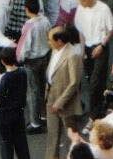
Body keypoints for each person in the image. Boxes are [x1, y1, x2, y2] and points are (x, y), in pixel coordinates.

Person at [75, 0, 113, 118]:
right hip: (87, 47)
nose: (81, 3)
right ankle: (101, 108)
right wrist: (82, 50)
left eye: (83, 0)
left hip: (100, 47)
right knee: (92, 80)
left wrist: (102, 46)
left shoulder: (103, 9)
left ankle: (93, 115)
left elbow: (111, 29)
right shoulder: (81, 8)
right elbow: (80, 30)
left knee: (95, 82)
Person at [45, 27, 84, 159]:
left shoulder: (73, 54)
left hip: (66, 102)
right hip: (51, 97)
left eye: (50, 40)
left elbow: (74, 83)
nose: (48, 43)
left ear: (60, 41)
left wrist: (59, 102)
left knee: (71, 137)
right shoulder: (54, 50)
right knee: (52, 136)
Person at [18, 0, 52, 134]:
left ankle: (35, 122)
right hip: (45, 57)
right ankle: (44, 115)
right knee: (44, 88)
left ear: (26, 9)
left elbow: (24, 47)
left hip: (31, 61)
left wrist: (20, 58)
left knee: (32, 92)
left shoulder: (28, 25)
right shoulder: (45, 20)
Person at [0, 47, 31, 159]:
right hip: (19, 112)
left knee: (6, 145)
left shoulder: (4, 78)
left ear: (2, 61)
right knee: (21, 143)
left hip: (5, 116)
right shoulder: (22, 72)